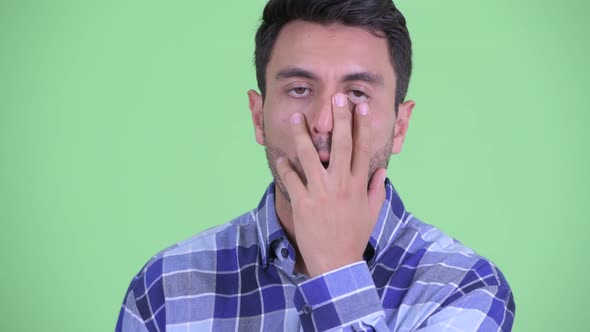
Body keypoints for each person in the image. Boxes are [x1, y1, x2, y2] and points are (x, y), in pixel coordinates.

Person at [115, 0, 515, 331]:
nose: (325, 122)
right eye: (300, 89)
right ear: (258, 117)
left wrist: (336, 270)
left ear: (400, 126)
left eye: (357, 93)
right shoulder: (167, 287)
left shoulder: (465, 288)